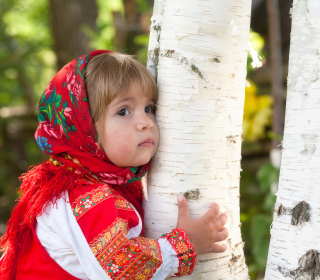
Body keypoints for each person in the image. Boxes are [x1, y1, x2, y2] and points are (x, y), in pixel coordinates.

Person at [0, 50, 229, 280]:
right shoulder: (78, 195)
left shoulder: (104, 183)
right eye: (123, 111)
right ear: (85, 128)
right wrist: (185, 244)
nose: (146, 123)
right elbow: (120, 267)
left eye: (149, 108)